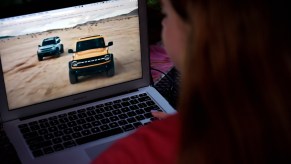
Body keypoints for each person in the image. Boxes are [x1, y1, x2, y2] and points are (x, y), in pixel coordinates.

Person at [92, 0, 291, 163]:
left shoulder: (140, 152)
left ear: (197, 33)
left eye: (166, 14)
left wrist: (173, 131)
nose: (163, 23)